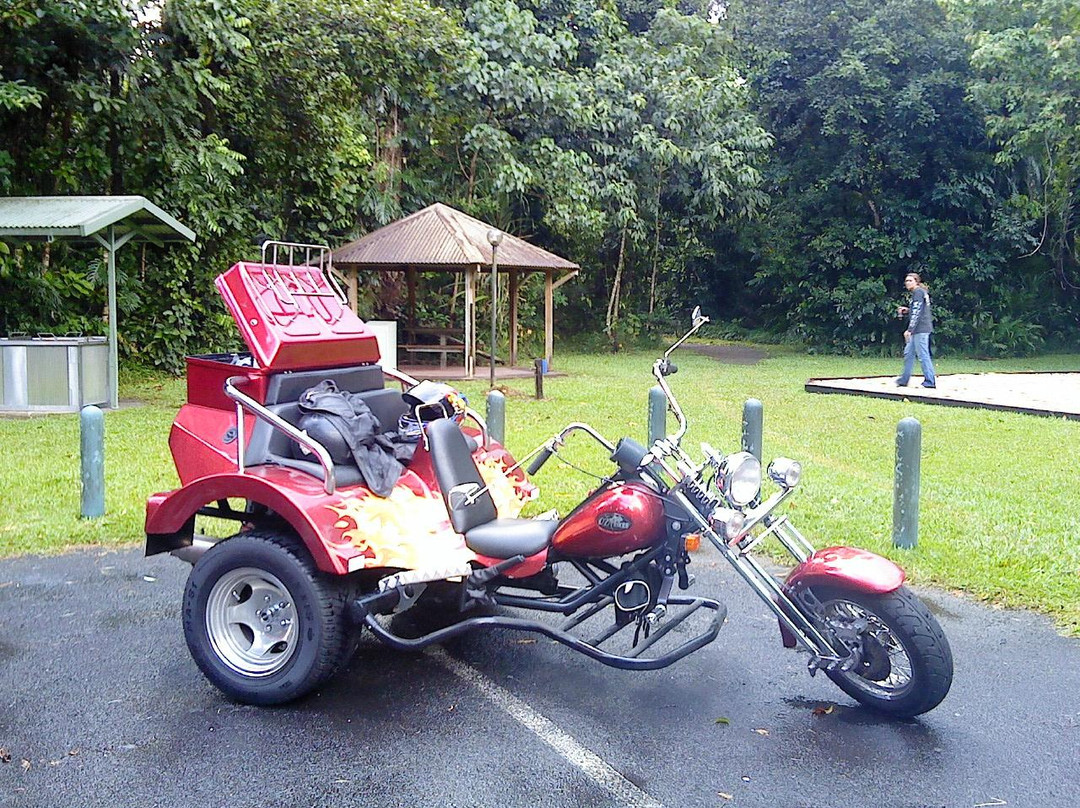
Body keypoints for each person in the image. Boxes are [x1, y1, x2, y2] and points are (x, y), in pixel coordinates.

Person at [895, 272, 936, 388]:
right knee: (909, 353)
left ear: (916, 282)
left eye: (910, 280)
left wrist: (910, 329)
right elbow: (919, 309)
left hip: (920, 329)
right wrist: (907, 310)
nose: (907, 283)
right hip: (918, 328)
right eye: (906, 281)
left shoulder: (918, 292)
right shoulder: (919, 293)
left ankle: (930, 381)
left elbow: (917, 313)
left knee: (923, 355)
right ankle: (904, 379)